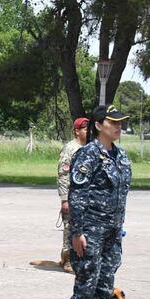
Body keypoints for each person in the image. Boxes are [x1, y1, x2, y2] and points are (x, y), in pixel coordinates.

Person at [68, 105, 132, 299]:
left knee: (105, 283)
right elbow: (77, 195)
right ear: (97, 126)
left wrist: (119, 226)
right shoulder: (87, 155)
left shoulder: (120, 155)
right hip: (90, 230)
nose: (118, 127)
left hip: (112, 232)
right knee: (87, 281)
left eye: (120, 123)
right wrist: (77, 232)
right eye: (112, 122)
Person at [57, 117, 89, 273]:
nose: (88, 132)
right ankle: (67, 259)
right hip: (71, 195)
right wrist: (64, 199)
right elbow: (63, 175)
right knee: (69, 227)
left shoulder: (90, 148)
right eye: (85, 129)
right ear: (77, 131)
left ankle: (79, 258)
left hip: (86, 196)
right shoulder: (70, 148)